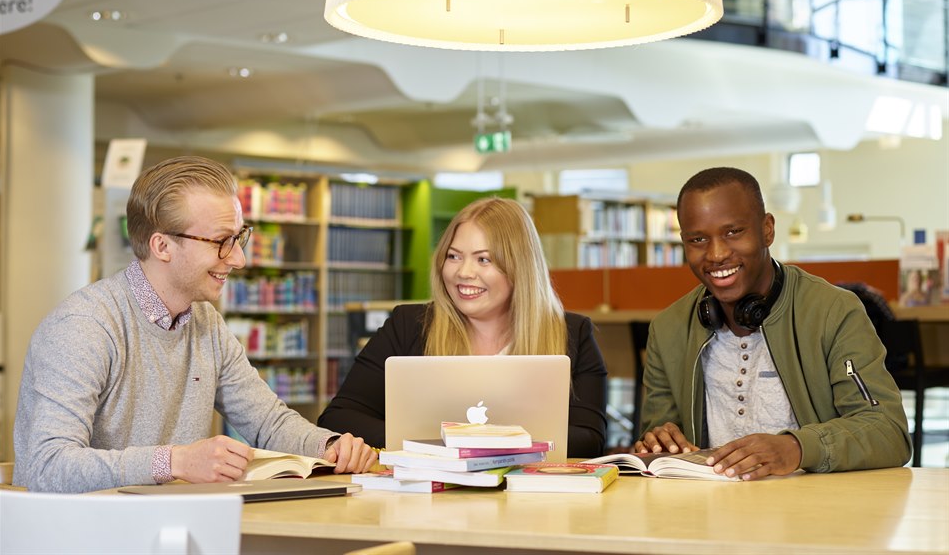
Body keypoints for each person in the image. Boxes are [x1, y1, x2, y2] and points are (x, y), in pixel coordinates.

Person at [14, 156, 376, 493]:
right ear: (162, 247)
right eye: (221, 241)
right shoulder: (83, 327)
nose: (239, 259)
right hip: (89, 530)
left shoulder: (206, 324)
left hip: (171, 523)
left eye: (239, 237)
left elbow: (268, 422)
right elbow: (47, 466)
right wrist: (176, 462)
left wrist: (329, 447)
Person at [635, 167, 910, 480]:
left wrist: (796, 448)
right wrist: (659, 442)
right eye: (697, 239)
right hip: (709, 502)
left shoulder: (833, 311)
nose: (716, 254)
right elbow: (658, 436)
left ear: (767, 230)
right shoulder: (667, 329)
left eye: (733, 232)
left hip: (814, 502)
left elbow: (888, 431)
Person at [318, 197, 608, 457]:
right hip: (427, 493)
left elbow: (589, 439)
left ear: (520, 267)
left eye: (484, 259)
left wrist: (476, 443)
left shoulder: (572, 333)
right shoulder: (408, 325)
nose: (463, 272)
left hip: (529, 492)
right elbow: (339, 416)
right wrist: (439, 446)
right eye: (453, 256)